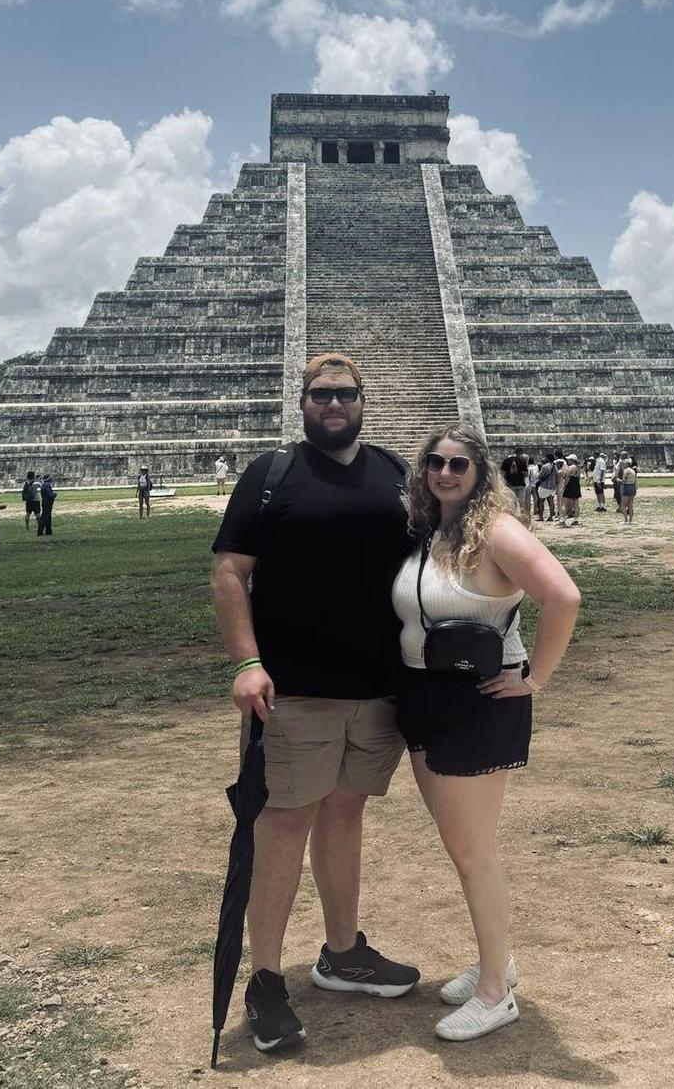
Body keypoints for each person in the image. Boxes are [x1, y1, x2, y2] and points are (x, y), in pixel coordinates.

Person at [210, 354, 418, 1055]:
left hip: (379, 688)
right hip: (293, 689)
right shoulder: (271, 476)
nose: (333, 404)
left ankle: (341, 950)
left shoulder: (397, 473)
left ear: (364, 400)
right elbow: (230, 572)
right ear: (301, 402)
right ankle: (265, 978)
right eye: (320, 394)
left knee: (345, 812)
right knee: (282, 825)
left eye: (344, 393)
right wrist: (246, 661)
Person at [392, 425, 580, 1041]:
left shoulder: (498, 530)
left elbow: (564, 597)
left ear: (479, 474)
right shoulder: (432, 530)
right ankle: (494, 959)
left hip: (478, 700)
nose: (444, 474)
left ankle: (498, 991)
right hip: (423, 695)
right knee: (463, 848)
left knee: (473, 853)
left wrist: (535, 677)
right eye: (435, 464)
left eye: (458, 466)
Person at [500, 448, 528, 515]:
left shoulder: (506, 460)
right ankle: (522, 517)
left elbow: (502, 473)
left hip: (509, 484)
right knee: (521, 502)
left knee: (510, 502)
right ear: (521, 453)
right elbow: (526, 474)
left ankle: (512, 516)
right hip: (520, 484)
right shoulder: (522, 461)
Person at [559, 454, 582, 527]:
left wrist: (564, 486)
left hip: (570, 486)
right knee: (576, 503)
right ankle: (576, 518)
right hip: (576, 485)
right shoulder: (577, 468)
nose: (568, 460)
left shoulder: (571, 467)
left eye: (569, 459)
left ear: (572, 460)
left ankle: (562, 518)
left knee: (565, 503)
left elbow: (567, 478)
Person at [535, 455, 556, 523]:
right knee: (551, 502)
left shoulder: (544, 466)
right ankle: (551, 517)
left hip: (544, 486)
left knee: (541, 502)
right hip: (552, 486)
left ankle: (541, 517)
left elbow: (540, 476)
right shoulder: (554, 466)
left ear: (547, 458)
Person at [619, 457, 638, 524]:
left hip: (627, 486)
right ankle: (630, 521)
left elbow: (624, 480)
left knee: (623, 505)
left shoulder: (626, 470)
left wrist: (618, 480)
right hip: (633, 487)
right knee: (630, 505)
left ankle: (625, 520)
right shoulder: (633, 471)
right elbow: (635, 481)